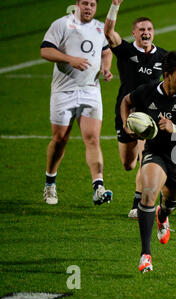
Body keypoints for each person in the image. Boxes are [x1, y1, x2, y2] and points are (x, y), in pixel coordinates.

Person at [120, 51, 176, 272]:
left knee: (169, 204)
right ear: (167, 76)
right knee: (149, 191)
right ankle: (145, 254)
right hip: (156, 152)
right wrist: (126, 125)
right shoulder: (148, 91)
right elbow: (126, 101)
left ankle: (163, 216)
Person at [41, 0, 113, 206]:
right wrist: (69, 59)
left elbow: (106, 52)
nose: (89, 7)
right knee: (60, 139)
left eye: (92, 4)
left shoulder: (100, 28)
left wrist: (106, 68)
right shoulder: (62, 24)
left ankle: (98, 187)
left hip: (90, 90)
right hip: (64, 92)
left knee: (92, 139)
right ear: (76, 5)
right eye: (85, 3)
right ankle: (50, 183)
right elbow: (45, 51)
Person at [104, 0, 167, 218]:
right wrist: (115, 6)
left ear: (153, 32)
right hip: (125, 112)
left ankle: (138, 204)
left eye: (149, 29)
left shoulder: (163, 57)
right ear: (134, 33)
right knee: (128, 163)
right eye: (141, 30)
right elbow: (109, 32)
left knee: (145, 157)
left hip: (149, 114)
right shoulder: (126, 51)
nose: (146, 33)